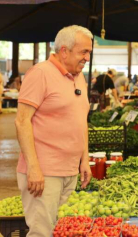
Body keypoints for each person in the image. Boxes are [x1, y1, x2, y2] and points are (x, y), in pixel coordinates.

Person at [14, 25, 93, 236]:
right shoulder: (40, 73)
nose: (87, 57)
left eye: (89, 52)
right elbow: (22, 122)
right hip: (44, 172)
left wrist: (84, 159)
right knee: (42, 232)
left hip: (70, 170)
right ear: (64, 50)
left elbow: (80, 120)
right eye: (83, 52)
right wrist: (33, 168)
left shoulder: (78, 77)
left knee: (62, 231)